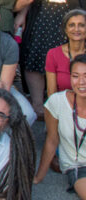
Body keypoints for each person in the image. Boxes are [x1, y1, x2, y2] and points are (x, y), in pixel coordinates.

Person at [34, 54, 86, 194]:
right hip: (79, 167)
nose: (81, 82)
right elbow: (52, 140)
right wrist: (39, 177)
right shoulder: (57, 102)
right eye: (75, 76)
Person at [45, 9, 86, 96]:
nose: (76, 29)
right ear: (66, 30)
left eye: (81, 25)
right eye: (72, 25)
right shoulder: (53, 54)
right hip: (63, 105)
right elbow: (51, 94)